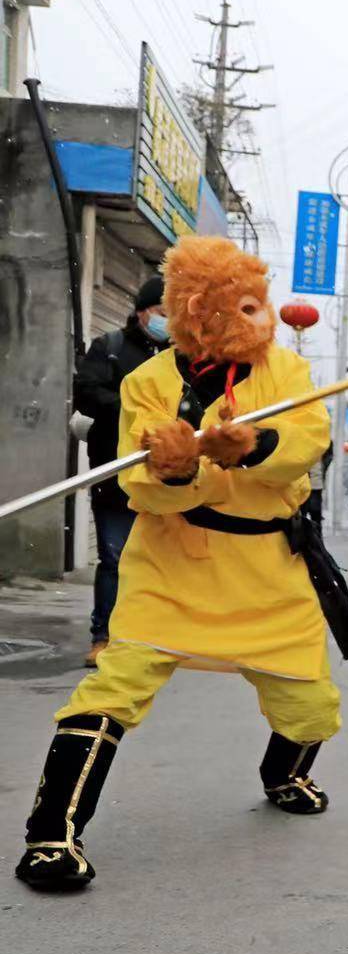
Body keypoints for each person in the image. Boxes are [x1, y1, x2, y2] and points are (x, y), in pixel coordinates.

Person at [16, 236, 348, 891]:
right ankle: (51, 837)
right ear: (201, 310)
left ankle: (284, 771)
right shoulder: (147, 381)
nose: (264, 318)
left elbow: (308, 441)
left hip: (268, 571)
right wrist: (176, 470)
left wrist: (251, 448)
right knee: (112, 688)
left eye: (260, 304)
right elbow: (138, 489)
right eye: (247, 306)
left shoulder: (285, 372)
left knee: (311, 704)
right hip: (171, 564)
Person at [72, 277, 170, 666]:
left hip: (164, 478)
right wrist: (133, 411)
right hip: (115, 472)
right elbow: (86, 394)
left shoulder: (182, 355)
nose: (170, 322)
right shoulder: (109, 348)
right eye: (164, 314)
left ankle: (152, 636)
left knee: (162, 559)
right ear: (143, 311)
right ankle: (105, 637)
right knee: (115, 556)